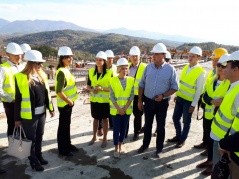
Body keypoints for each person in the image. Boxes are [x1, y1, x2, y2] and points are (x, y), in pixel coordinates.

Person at [14, 50, 54, 171]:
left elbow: (46, 94)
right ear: (31, 63)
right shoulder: (20, 77)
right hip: (29, 115)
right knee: (30, 139)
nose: (41, 66)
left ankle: (39, 155)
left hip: (41, 113)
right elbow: (18, 99)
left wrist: (51, 108)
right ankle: (33, 161)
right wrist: (17, 118)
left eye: (41, 63)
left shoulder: (41, 75)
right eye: (38, 63)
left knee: (39, 136)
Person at [137, 43, 178, 157]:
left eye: (156, 54)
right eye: (153, 54)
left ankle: (159, 148)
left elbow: (175, 87)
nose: (153, 56)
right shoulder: (148, 67)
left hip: (162, 103)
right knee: (148, 124)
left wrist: (163, 96)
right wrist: (140, 100)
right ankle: (145, 145)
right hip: (148, 101)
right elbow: (141, 84)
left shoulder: (170, 70)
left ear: (163, 55)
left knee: (160, 126)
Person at [196, 54, 230, 176]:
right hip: (208, 116)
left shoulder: (229, 84)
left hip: (220, 120)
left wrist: (221, 102)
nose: (219, 67)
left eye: (223, 65)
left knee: (218, 145)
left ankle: (214, 166)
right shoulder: (212, 80)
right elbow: (203, 95)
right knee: (210, 141)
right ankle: (209, 160)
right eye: (218, 65)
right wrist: (210, 101)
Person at [168, 46, 206, 148]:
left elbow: (199, 90)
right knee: (175, 118)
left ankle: (182, 139)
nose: (190, 58)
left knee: (186, 121)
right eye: (189, 56)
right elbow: (181, 83)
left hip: (189, 101)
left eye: (193, 56)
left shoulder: (201, 72)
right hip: (180, 98)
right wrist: (177, 95)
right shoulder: (186, 67)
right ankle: (178, 136)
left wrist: (193, 104)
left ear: (198, 58)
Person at [194, 48, 228, 154]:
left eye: (217, 61)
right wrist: (206, 101)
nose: (214, 63)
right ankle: (206, 144)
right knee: (206, 129)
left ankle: (210, 152)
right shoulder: (212, 74)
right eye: (213, 61)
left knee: (214, 135)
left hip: (218, 113)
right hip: (208, 106)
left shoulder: (228, 81)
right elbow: (207, 90)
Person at [210, 50, 239, 170]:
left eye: (227, 66)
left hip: (225, 144)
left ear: (235, 69)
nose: (224, 69)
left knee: (219, 171)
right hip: (221, 139)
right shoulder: (233, 86)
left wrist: (226, 144)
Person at [55, 46, 79, 156]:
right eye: (68, 57)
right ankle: (62, 149)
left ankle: (68, 144)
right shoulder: (61, 72)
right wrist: (69, 101)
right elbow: (59, 91)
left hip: (68, 104)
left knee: (66, 125)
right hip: (65, 104)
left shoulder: (65, 70)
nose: (70, 59)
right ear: (62, 58)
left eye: (71, 57)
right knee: (63, 126)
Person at [110, 58, 134, 158]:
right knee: (116, 130)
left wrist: (124, 109)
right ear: (118, 69)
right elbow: (112, 96)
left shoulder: (131, 80)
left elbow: (131, 96)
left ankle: (120, 146)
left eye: (126, 68)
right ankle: (116, 147)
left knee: (123, 130)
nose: (124, 70)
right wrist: (119, 109)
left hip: (126, 110)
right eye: (122, 68)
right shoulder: (113, 80)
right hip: (116, 110)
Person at [87, 51, 112, 148]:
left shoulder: (109, 73)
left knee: (105, 119)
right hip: (94, 100)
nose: (98, 62)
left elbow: (112, 88)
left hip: (105, 101)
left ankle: (105, 138)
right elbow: (88, 86)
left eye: (100, 60)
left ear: (104, 61)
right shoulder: (91, 72)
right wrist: (92, 90)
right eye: (97, 60)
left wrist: (102, 89)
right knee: (95, 118)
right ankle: (94, 136)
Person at [0, 42, 24, 136]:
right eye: (15, 55)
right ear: (8, 55)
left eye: (20, 55)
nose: (18, 57)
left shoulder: (22, 66)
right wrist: (10, 99)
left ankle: (21, 147)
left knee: (23, 125)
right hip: (11, 103)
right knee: (12, 125)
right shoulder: (3, 68)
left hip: (23, 101)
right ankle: (13, 146)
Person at [127, 46, 147, 141]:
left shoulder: (144, 67)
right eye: (132, 56)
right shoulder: (127, 66)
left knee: (137, 115)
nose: (134, 58)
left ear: (139, 56)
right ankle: (125, 132)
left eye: (136, 56)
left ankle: (136, 132)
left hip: (139, 95)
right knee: (126, 113)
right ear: (130, 57)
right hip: (127, 95)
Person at [97, 50, 117, 135]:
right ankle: (100, 128)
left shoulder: (115, 67)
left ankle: (112, 125)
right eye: (108, 58)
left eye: (111, 58)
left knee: (112, 110)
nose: (110, 60)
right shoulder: (102, 68)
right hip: (103, 94)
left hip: (112, 92)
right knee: (101, 113)